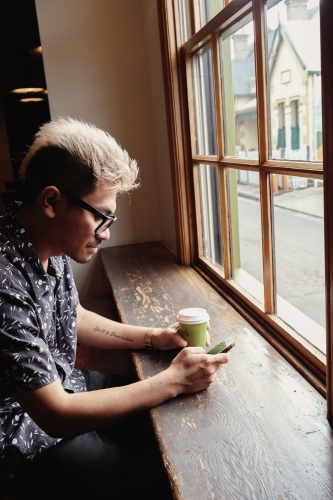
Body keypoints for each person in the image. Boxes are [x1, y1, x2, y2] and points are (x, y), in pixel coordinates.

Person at [0, 117, 230, 499]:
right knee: (153, 482)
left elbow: (73, 315)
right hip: (21, 435)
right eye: (100, 217)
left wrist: (154, 338)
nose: (106, 233)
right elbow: (55, 415)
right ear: (52, 201)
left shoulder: (46, 241)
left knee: (161, 421)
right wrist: (173, 379)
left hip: (65, 386)